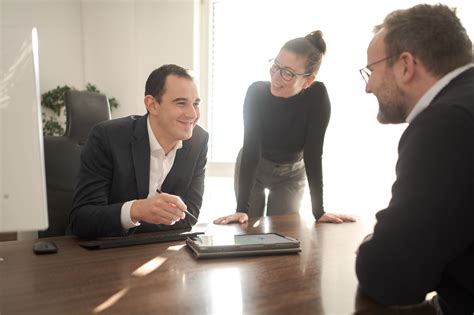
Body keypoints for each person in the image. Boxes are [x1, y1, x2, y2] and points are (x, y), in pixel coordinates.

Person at [355, 4, 474, 314]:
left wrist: (375, 242)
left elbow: (391, 277)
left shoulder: (447, 122)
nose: (368, 86)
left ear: (405, 65)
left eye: (371, 70)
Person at [214, 31, 355, 225]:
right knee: (248, 226)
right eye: (275, 67)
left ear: (308, 80)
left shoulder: (317, 97)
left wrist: (319, 211)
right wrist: (240, 210)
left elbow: (313, 154)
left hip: (292, 174)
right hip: (256, 166)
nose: (276, 77)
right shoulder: (256, 93)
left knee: (283, 230)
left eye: (287, 73)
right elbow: (251, 149)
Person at [70, 64, 208, 238]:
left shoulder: (198, 141)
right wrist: (136, 210)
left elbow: (189, 217)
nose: (192, 114)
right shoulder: (107, 137)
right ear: (152, 105)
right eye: (181, 103)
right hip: (103, 251)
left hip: (157, 252)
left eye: (195, 104)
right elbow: (81, 220)